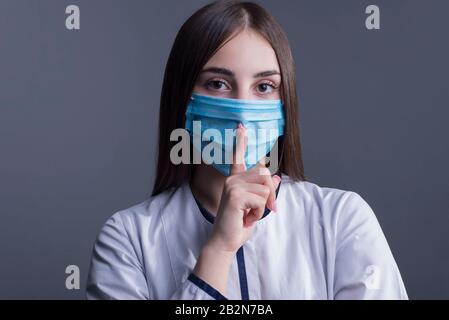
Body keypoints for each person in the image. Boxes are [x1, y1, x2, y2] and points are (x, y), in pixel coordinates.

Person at [86, 0, 408, 300]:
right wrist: (218, 251)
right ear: (182, 96)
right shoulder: (128, 239)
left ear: (284, 105)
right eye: (217, 84)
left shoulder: (341, 220)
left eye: (264, 87)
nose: (242, 110)